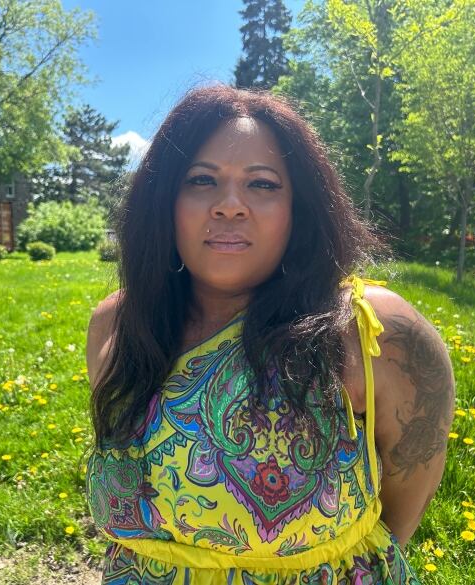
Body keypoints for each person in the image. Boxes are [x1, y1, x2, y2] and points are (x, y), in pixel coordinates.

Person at [84, 84, 455, 584]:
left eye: (261, 184)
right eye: (200, 180)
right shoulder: (118, 327)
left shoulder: (370, 333)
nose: (230, 205)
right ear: (164, 199)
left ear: (299, 207)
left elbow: (405, 498)